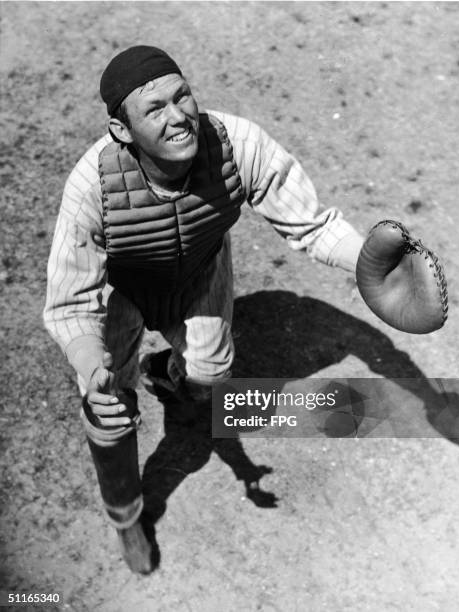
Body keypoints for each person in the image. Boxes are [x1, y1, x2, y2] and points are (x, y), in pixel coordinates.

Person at [43, 45, 365, 574]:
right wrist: (87, 360)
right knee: (108, 410)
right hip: (120, 291)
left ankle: (167, 374)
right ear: (122, 130)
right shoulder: (91, 187)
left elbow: (312, 223)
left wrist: (369, 261)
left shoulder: (235, 143)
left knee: (211, 375)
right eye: (155, 110)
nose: (178, 117)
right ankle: (127, 516)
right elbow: (69, 298)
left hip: (200, 270)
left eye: (182, 96)